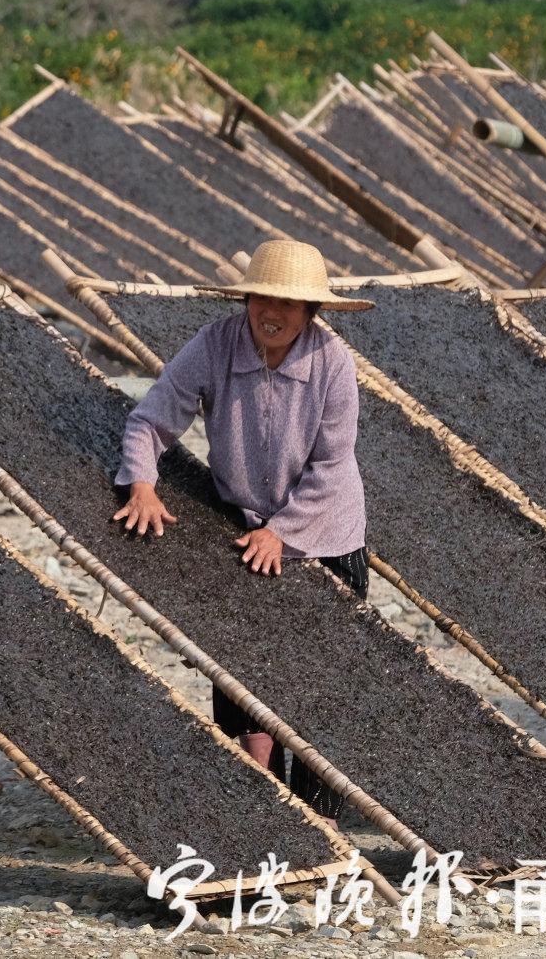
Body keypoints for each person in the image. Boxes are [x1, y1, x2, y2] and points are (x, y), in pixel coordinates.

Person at [111, 238, 372, 823]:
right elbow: (153, 417)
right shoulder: (216, 343)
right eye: (261, 298)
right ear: (246, 299)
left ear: (311, 312)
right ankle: (252, 802)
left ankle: (318, 820)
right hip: (242, 523)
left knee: (318, 680)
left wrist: (282, 532)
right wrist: (143, 484)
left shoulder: (333, 364)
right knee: (237, 666)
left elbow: (333, 467)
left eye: (286, 303)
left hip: (326, 533)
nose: (270, 313)